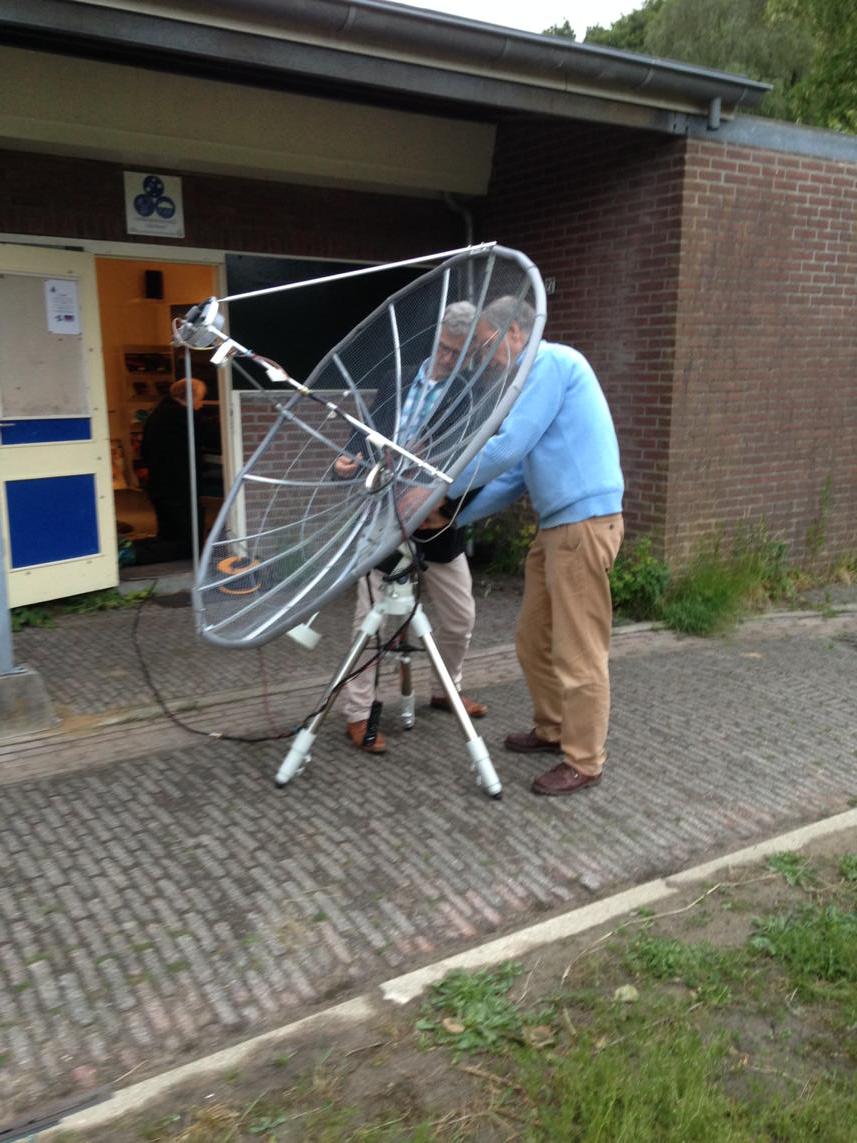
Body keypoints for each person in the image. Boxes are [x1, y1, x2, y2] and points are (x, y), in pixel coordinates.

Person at [447, 296, 624, 796]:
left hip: (582, 526)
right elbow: (517, 475)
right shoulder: (534, 380)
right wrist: (454, 516)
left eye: (485, 345)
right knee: (531, 638)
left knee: (578, 650)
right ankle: (553, 729)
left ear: (515, 335)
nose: (482, 356)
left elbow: (505, 448)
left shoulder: (551, 363)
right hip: (557, 529)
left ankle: (585, 760)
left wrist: (437, 489)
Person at [335, 301, 487, 754]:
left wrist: (451, 511)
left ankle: (446, 689)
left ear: (469, 356)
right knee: (371, 624)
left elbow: (481, 462)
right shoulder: (399, 379)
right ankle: (359, 713)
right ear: (436, 338)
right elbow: (370, 429)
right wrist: (348, 457)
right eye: (442, 348)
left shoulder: (471, 396)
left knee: (461, 618)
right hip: (386, 518)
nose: (444, 359)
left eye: (455, 354)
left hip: (437, 526)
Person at [131, 377, 207, 566]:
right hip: (178, 486)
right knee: (187, 542)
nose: (201, 404)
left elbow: (146, 450)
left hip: (160, 484)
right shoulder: (181, 418)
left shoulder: (159, 413)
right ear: (189, 398)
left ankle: (135, 550)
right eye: (200, 399)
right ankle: (135, 556)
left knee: (168, 533)